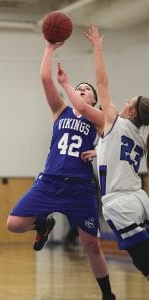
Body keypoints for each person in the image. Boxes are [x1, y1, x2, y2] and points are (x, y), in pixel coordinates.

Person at [6, 39, 116, 300]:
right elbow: (45, 79)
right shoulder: (60, 110)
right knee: (14, 224)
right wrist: (49, 47)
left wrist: (99, 151)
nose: (81, 90)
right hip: (51, 182)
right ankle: (43, 224)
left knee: (91, 245)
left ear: (94, 99)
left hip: (80, 188)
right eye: (78, 87)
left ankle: (108, 295)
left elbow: (111, 144)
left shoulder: (99, 119)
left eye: (87, 89)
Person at [66, 24, 149, 281]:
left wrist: (98, 47)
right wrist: (99, 151)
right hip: (141, 199)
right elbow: (115, 151)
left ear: (132, 112)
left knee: (145, 264)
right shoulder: (138, 135)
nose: (123, 103)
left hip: (122, 203)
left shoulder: (113, 120)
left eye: (128, 102)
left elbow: (101, 82)